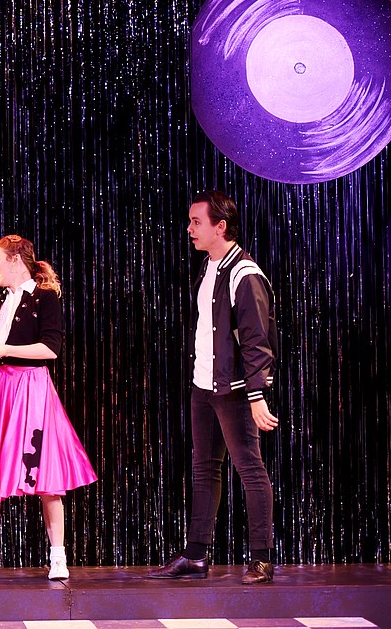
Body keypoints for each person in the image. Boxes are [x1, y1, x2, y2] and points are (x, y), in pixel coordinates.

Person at [0, 235, 97, 582]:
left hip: (31, 387)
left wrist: (7, 349)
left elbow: (51, 348)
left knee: (46, 474)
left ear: (15, 259)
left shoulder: (45, 298)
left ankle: (57, 556)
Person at [148, 190, 279, 585]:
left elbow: (257, 340)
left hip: (235, 390)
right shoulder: (210, 267)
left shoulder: (244, 274)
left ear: (220, 227)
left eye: (196, 222)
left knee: (250, 469)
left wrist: (256, 394)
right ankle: (196, 556)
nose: (189, 229)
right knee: (204, 468)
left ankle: (261, 559)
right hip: (203, 385)